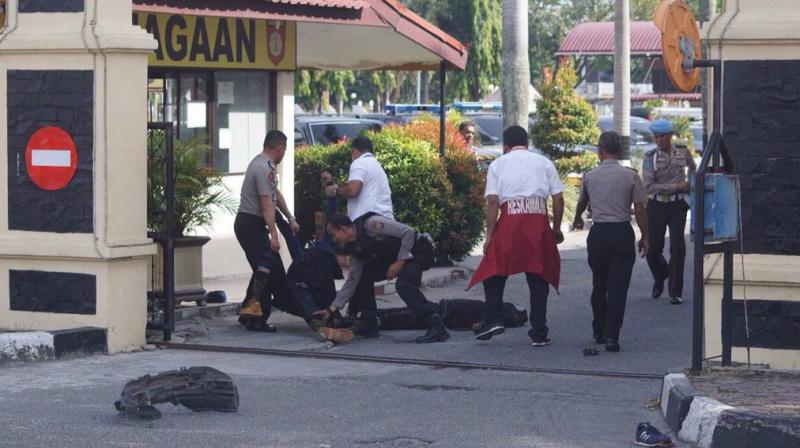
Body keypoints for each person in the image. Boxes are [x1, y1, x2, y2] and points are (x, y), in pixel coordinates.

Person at [468, 125, 564, 347]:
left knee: (494, 271)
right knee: (538, 276)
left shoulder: (498, 165)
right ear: (527, 144)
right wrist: (556, 228)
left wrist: (489, 235)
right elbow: (558, 198)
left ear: (505, 146)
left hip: (510, 219)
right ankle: (539, 332)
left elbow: (493, 201)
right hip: (537, 221)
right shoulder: (543, 162)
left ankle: (493, 319)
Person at [315, 213, 449, 344]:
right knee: (362, 277)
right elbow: (352, 279)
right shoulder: (355, 247)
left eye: (333, 235)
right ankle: (369, 323)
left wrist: (401, 261)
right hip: (396, 259)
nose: (333, 239)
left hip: (418, 251)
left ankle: (436, 325)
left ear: (343, 230)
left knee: (404, 284)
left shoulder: (371, 224)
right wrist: (331, 309)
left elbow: (408, 232)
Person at [572, 131, 649, 352]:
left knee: (599, 283)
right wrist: (646, 236)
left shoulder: (589, 176)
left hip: (598, 234)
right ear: (620, 151)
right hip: (622, 232)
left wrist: (577, 219)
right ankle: (612, 337)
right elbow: (640, 210)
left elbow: (582, 202)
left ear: (600, 151)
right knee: (618, 287)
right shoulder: (631, 176)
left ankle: (598, 329)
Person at [234, 130, 295, 332]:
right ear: (279, 148)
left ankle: (248, 310)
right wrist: (274, 236)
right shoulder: (262, 168)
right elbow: (267, 204)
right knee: (270, 270)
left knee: (262, 269)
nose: (284, 153)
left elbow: (275, 193)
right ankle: (258, 318)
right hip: (250, 225)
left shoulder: (264, 165)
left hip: (251, 225)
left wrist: (290, 217)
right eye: (284, 149)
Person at [642, 119, 696, 305]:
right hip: (656, 206)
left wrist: (690, 184)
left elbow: (694, 170)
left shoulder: (682, 152)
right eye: (656, 137)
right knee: (653, 249)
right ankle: (660, 275)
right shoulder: (649, 157)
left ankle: (675, 291)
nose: (658, 140)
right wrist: (677, 186)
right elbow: (649, 186)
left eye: (662, 136)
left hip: (677, 206)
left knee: (677, 248)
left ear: (670, 135)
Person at [322, 136, 393, 221]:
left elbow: (352, 191)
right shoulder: (377, 165)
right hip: (386, 220)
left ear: (354, 150)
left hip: (368, 221)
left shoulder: (359, 162)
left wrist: (336, 189)